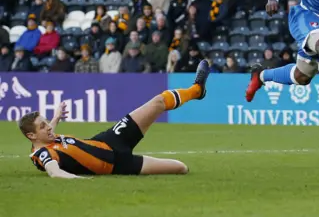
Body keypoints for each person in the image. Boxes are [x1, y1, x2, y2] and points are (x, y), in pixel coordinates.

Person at [22, 60, 210, 178]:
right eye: (43, 126)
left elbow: (49, 133)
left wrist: (55, 118)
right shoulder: (43, 154)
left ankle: (196, 90)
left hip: (110, 139)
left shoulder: (46, 138)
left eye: (46, 123)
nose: (48, 127)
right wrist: (79, 180)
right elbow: (54, 172)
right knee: (181, 168)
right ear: (31, 135)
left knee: (158, 102)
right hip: (116, 165)